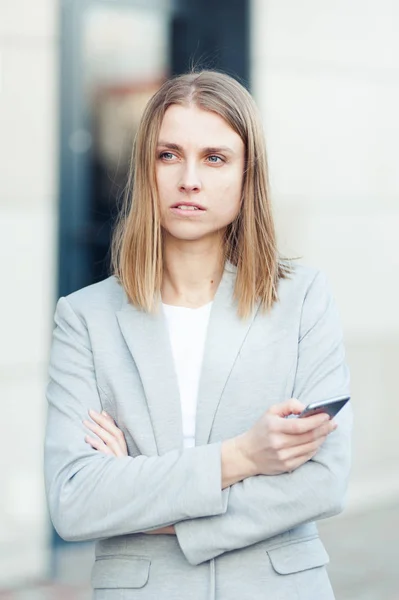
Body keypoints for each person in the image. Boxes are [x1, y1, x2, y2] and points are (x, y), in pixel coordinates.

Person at [44, 70, 352, 600]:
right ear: (147, 168)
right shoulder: (84, 317)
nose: (189, 179)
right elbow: (75, 502)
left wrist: (144, 497)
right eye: (169, 155)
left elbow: (323, 479)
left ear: (245, 173)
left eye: (215, 157)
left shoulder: (302, 299)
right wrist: (244, 458)